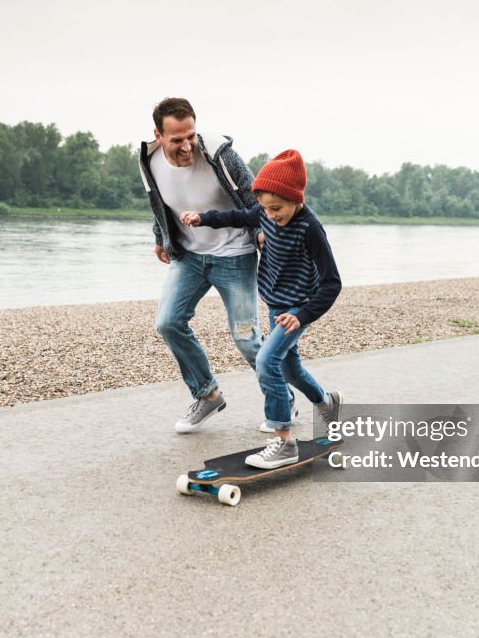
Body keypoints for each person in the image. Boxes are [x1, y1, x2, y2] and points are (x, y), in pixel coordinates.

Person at [139, 98, 297, 434]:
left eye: (190, 136)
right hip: (189, 257)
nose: (186, 146)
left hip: (235, 255)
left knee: (247, 339)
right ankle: (207, 395)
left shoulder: (218, 154)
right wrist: (159, 236)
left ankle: (283, 399)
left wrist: (260, 232)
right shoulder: (148, 160)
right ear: (158, 134)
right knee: (168, 323)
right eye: (176, 139)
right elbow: (159, 202)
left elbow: (256, 198)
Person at [180, 149, 344, 469]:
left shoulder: (310, 229)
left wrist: (301, 315)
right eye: (266, 209)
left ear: (296, 198)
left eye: (277, 208)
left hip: (297, 308)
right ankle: (326, 404)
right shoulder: (264, 213)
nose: (270, 215)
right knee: (288, 369)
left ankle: (283, 441)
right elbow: (238, 217)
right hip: (275, 302)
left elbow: (332, 284)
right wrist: (203, 218)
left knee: (267, 361)